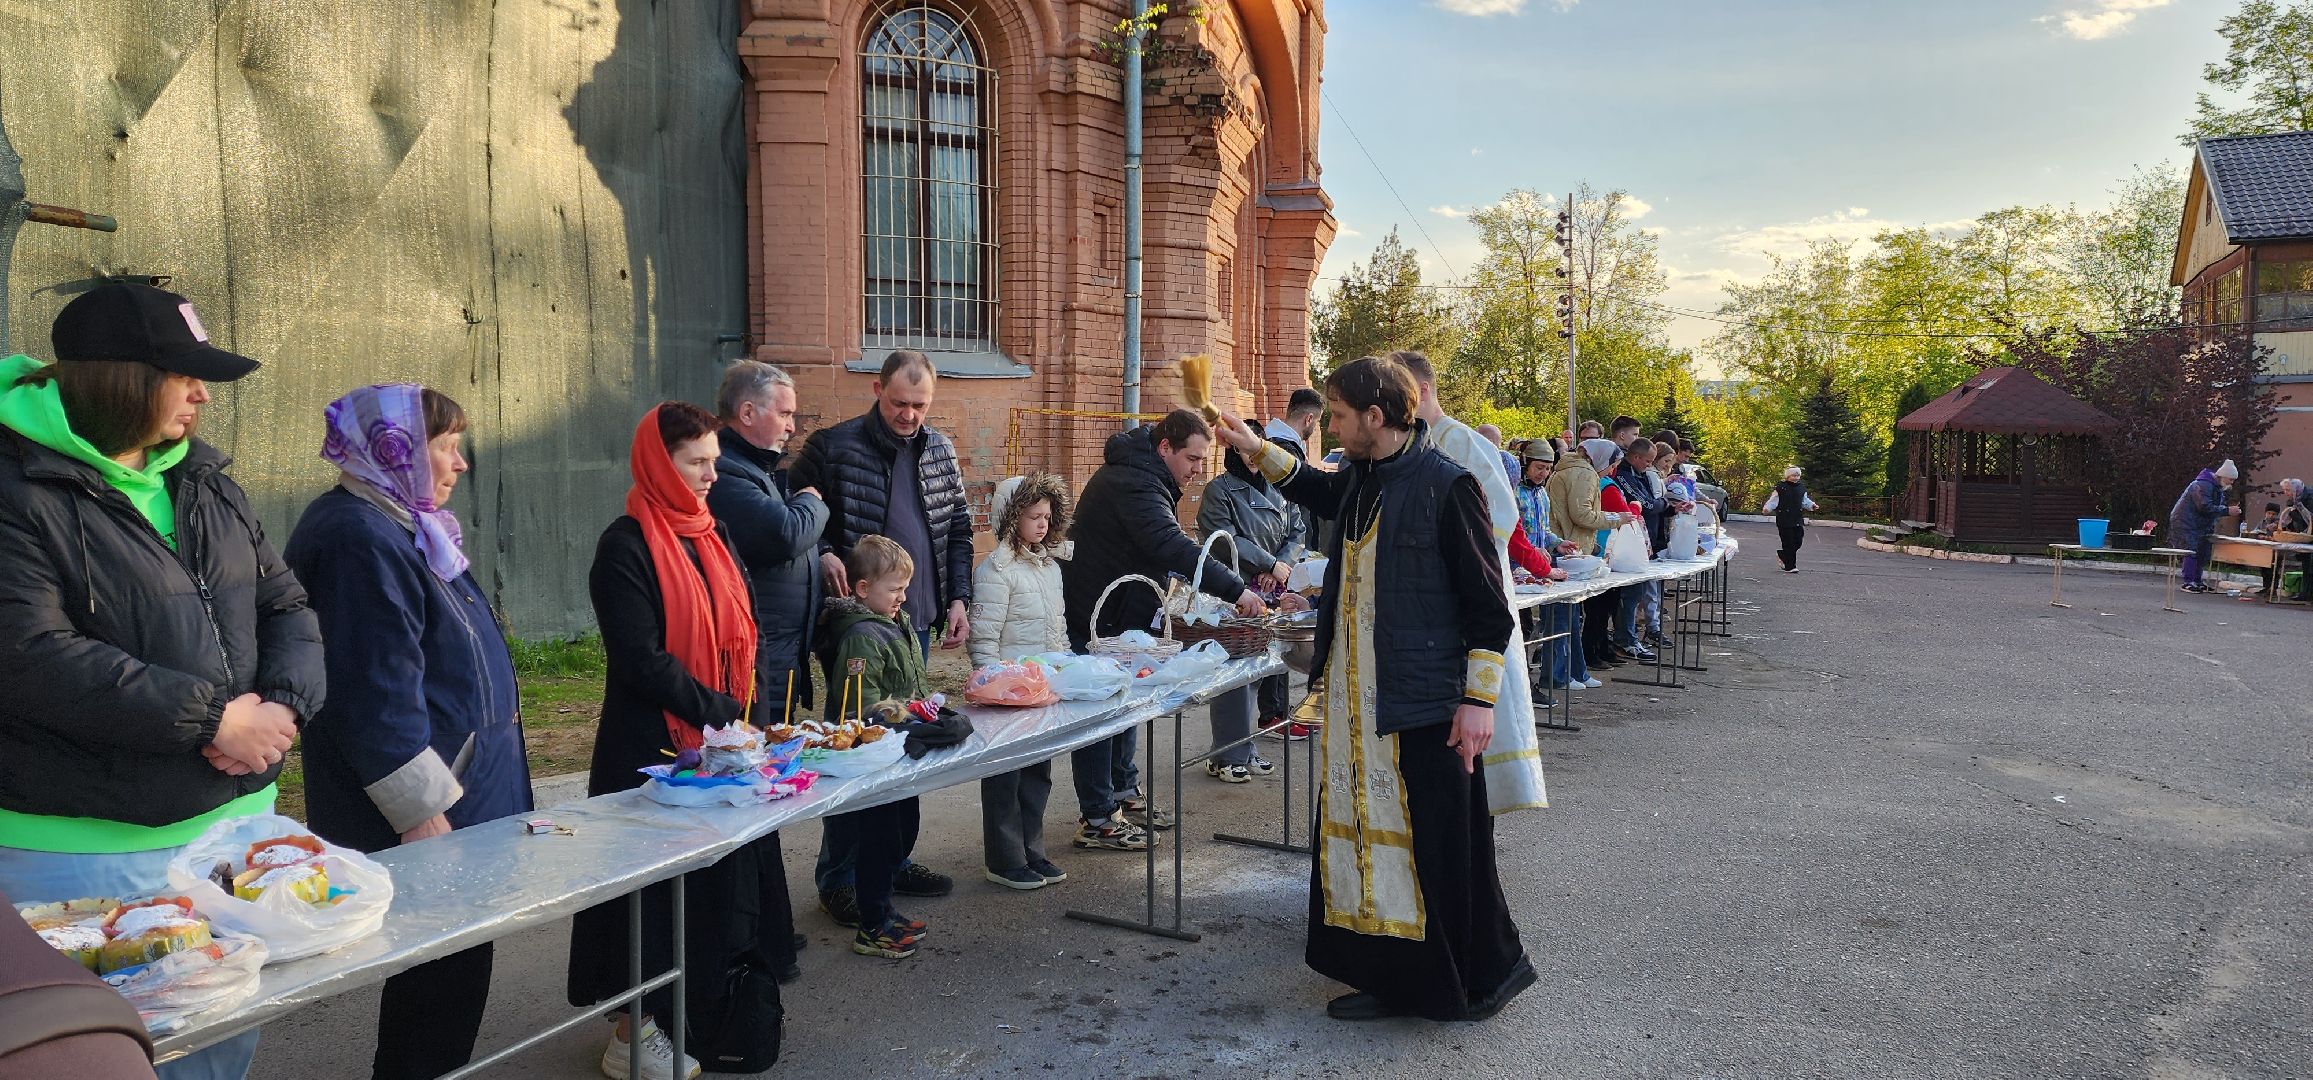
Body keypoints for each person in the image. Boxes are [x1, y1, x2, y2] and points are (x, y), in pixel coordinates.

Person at [0, 283, 323, 1080]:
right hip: (87, 852)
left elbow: (285, 604)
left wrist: (281, 708)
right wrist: (214, 720)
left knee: (218, 1048)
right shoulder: (17, 490)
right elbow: (28, 654)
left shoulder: (205, 481)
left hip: (232, 832)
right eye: (181, 376)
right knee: (100, 1056)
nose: (202, 395)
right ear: (118, 379)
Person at [1209, 356, 1534, 1023]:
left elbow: (1488, 609)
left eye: (1338, 414)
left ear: (1375, 417)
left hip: (1424, 705)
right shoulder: (1365, 477)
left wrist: (1478, 703)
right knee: (1366, 838)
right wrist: (1253, 448)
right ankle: (1390, 978)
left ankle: (1465, 983)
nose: (1331, 426)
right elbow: (1315, 487)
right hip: (1358, 704)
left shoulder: (1448, 486)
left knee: (1435, 849)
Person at [284, 385, 532, 1080]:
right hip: (431, 808)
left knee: (452, 969)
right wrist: (421, 811)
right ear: (395, 451)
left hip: (461, 786)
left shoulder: (403, 523)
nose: (461, 463)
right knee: (438, 981)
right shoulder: (357, 536)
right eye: (445, 446)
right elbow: (371, 692)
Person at [567, 403, 775, 1080]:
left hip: (718, 746)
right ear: (660, 464)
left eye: (715, 460)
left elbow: (745, 629)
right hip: (649, 747)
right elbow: (640, 659)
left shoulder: (712, 532)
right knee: (644, 900)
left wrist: (750, 713)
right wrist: (722, 711)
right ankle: (632, 1033)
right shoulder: (625, 546)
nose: (712, 475)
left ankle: (694, 1013)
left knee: (704, 892)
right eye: (697, 463)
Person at [787, 349, 966, 920]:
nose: (909, 415)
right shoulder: (832, 446)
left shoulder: (940, 450)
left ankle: (891, 861)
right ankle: (839, 876)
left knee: (906, 744)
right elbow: (795, 509)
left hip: (914, 621)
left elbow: (959, 529)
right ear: (876, 390)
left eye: (920, 405)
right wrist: (822, 553)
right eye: (899, 402)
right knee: (856, 748)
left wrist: (959, 597)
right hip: (857, 627)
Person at [1061, 409, 1261, 846]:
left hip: (1123, 614)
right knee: (1101, 712)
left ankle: (1122, 791)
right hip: (1097, 614)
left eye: (1201, 461)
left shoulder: (1148, 475)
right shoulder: (1134, 482)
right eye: (1192, 459)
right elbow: (1169, 544)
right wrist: (1236, 590)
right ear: (1165, 447)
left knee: (1126, 705)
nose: (1197, 470)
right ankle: (1097, 818)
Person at [703, 360, 822, 980]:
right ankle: (751, 937)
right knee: (751, 792)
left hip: (777, 656)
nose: (792, 425)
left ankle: (768, 925)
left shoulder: (760, 470)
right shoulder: (729, 474)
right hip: (752, 666)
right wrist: (811, 504)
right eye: (785, 412)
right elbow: (782, 534)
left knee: (769, 789)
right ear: (747, 413)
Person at [1394, 352, 1548, 810]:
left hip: (1468, 600)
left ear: (1421, 390)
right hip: (1427, 614)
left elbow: (1499, 517)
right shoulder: (1413, 443)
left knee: (1474, 740)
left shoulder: (1462, 443)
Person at [815, 536, 937, 958]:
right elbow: (862, 706)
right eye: (894, 589)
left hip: (899, 748)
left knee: (900, 829)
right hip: (875, 756)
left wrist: (923, 709)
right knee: (877, 838)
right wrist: (905, 715)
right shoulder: (862, 636)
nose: (902, 597)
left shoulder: (891, 622)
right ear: (863, 589)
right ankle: (872, 926)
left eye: (905, 588)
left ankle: (884, 910)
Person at [968, 475, 1073, 891]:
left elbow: (1057, 627)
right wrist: (990, 682)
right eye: (1033, 516)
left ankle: (1032, 849)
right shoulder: (996, 571)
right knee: (1004, 777)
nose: (1042, 524)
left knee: (1037, 774)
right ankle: (1005, 859)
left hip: (1041, 689)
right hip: (1005, 693)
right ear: (1011, 518)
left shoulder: (1050, 568)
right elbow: (984, 634)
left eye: (1047, 516)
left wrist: (1063, 669)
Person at [1197, 445, 1307, 768]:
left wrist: (1280, 567)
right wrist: (1268, 563)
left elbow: (1297, 531)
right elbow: (1224, 538)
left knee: (1258, 673)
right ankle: (1228, 755)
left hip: (1273, 592)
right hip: (1235, 592)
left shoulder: (1279, 488)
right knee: (1233, 677)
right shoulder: (1219, 490)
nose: (1253, 457)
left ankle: (1245, 750)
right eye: (1246, 449)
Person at [1516, 441, 1593, 692]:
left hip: (1540, 567)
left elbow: (1543, 531)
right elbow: (1514, 535)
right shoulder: (1514, 492)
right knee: (1524, 627)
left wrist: (1558, 543)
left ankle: (1560, 674)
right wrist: (1533, 550)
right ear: (1525, 463)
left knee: (1562, 616)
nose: (1544, 473)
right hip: (1518, 567)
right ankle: (1527, 684)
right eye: (1539, 467)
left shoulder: (1542, 494)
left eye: (1548, 468)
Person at [2168, 459, 2241, 593]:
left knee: (2202, 551)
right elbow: (2204, 506)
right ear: (2223, 476)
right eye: (2231, 479)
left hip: (2197, 523)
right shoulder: (2203, 485)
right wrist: (2227, 511)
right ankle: (2189, 581)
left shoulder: (2214, 487)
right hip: (2186, 522)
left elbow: (2209, 508)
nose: (2231, 482)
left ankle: (2196, 580)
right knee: (2191, 551)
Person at [1764, 466, 1819, 573]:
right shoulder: (1781, 487)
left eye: (1798, 475)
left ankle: (1782, 555)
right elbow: (1773, 500)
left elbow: (1804, 501)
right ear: (1788, 476)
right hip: (1784, 519)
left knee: (1798, 541)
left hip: (1797, 518)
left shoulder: (1801, 488)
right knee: (1788, 543)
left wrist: (1812, 505)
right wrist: (1767, 508)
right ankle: (1790, 566)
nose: (1796, 477)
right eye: (1793, 475)